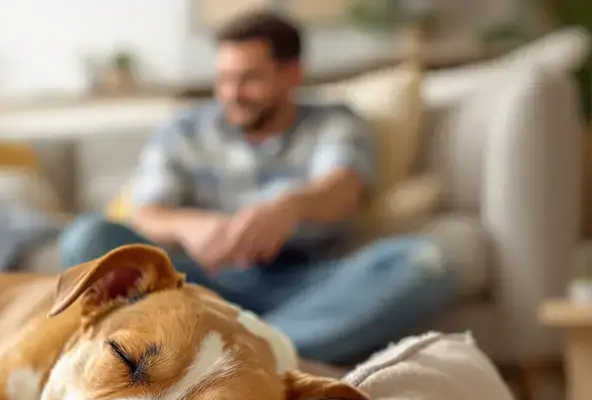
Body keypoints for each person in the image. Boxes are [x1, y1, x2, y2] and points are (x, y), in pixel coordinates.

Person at [58, 10, 455, 366]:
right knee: (88, 237)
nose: (232, 93)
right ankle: (262, 352)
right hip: (199, 285)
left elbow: (343, 190)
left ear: (292, 74)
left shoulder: (334, 122)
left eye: (249, 79)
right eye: (224, 79)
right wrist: (191, 227)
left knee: (425, 263)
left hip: (305, 284)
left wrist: (289, 207)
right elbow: (147, 212)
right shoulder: (185, 130)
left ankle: (239, 353)